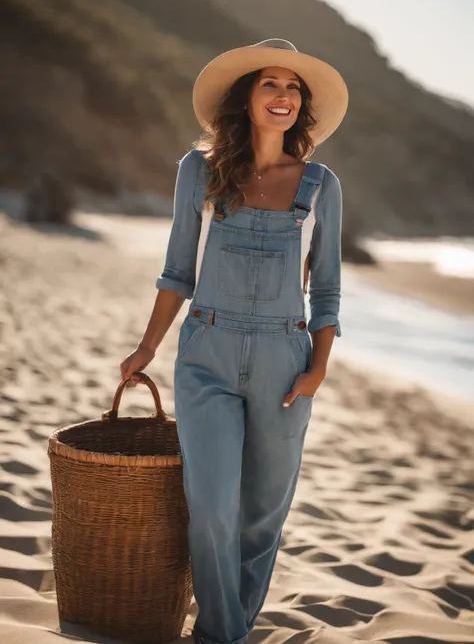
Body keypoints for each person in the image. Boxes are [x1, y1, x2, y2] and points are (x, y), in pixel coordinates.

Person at [120, 38, 348, 644]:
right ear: (245, 97)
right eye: (270, 83)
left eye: (293, 87)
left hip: (286, 360)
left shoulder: (322, 186)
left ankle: (227, 629)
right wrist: (147, 348)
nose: (283, 96)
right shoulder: (198, 171)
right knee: (214, 507)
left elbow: (326, 291)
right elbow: (177, 271)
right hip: (207, 354)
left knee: (261, 519)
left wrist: (317, 369)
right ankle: (220, 635)